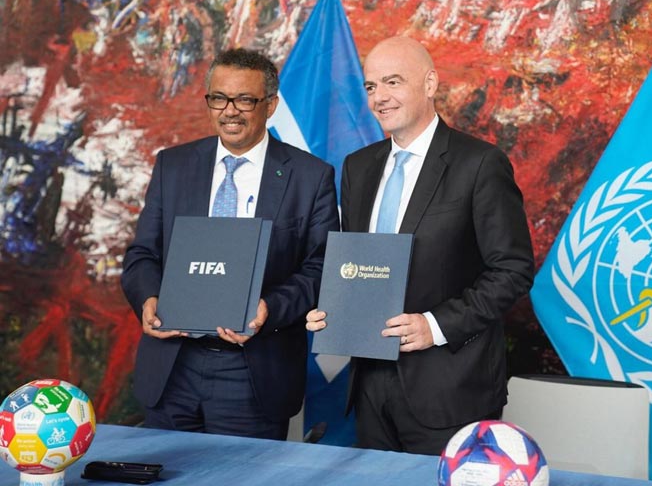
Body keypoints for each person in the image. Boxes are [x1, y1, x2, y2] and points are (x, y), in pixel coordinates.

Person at [306, 36, 534, 454]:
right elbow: (356, 265)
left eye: (392, 82)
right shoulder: (358, 167)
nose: (379, 97)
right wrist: (332, 309)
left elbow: (513, 270)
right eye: (371, 86)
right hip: (369, 384)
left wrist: (435, 326)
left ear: (430, 84)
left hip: (451, 388)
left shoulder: (479, 163)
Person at [122, 48, 339, 439]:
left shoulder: (310, 176)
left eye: (244, 100)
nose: (230, 111)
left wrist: (269, 308)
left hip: (254, 373)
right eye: (219, 98)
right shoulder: (173, 165)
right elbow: (142, 254)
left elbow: (321, 267)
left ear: (270, 105)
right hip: (173, 367)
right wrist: (148, 298)